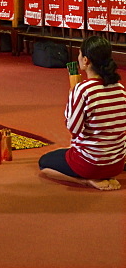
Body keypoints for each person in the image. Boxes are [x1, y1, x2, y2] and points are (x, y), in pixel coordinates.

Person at [38, 35, 126, 191]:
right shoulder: (120, 88)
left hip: (90, 165)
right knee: (64, 153)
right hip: (117, 164)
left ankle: (86, 182)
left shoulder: (83, 89)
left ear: (86, 60)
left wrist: (72, 97)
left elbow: (73, 129)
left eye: (79, 54)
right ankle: (103, 174)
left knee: (44, 163)